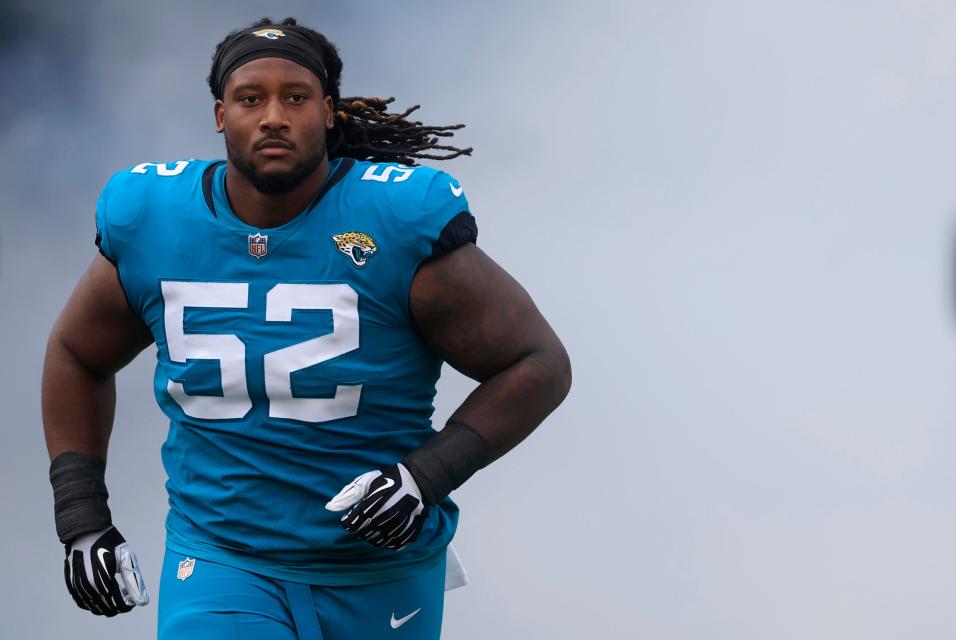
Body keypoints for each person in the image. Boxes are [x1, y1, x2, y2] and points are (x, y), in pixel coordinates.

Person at [43, 17, 571, 640]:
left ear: (328, 112)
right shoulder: (152, 216)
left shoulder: (393, 220)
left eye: (294, 97)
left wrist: (425, 476)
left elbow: (538, 363)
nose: (272, 116)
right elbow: (77, 353)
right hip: (222, 560)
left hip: (378, 569)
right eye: (250, 98)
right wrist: (81, 518)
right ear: (220, 115)